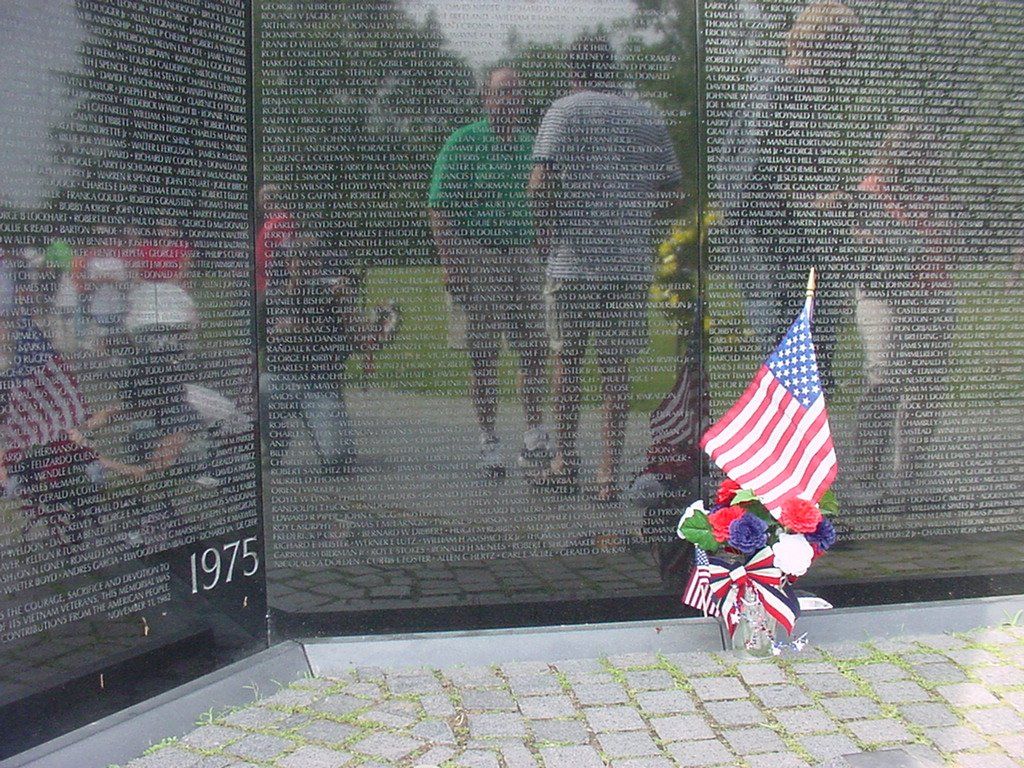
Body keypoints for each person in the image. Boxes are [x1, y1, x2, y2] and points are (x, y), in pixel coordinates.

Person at [528, 36, 684, 501]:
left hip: (572, 259)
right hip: (628, 262)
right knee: (616, 368)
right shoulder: (646, 115)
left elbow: (539, 183)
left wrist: (547, 227)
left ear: (573, 71)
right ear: (610, 69)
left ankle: (565, 461)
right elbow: (675, 193)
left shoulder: (563, 111)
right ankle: (608, 473)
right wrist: (635, 216)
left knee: (567, 362)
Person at [715, 0, 861, 393]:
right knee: (790, 370)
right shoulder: (778, 86)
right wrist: (816, 201)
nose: (851, 60)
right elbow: (750, 181)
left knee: (802, 368)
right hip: (774, 255)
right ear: (826, 44)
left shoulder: (791, 89)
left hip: (790, 252)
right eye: (848, 47)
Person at [428, 65, 550, 478]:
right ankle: (489, 440)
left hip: (522, 254)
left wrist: (543, 236)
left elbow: (541, 199)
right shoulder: (464, 143)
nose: (510, 100)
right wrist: (450, 263)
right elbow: (439, 205)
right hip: (477, 253)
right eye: (502, 93)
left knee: (533, 347)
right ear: (487, 97)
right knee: (483, 354)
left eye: (516, 93)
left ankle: (534, 433)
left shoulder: (529, 146)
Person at [848, 122, 965, 501]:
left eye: (927, 151)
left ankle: (906, 479)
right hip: (885, 297)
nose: (921, 157)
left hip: (934, 295)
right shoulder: (870, 190)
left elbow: (951, 242)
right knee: (883, 381)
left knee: (925, 390)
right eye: (913, 150)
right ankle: (866, 477)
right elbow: (857, 239)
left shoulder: (939, 193)